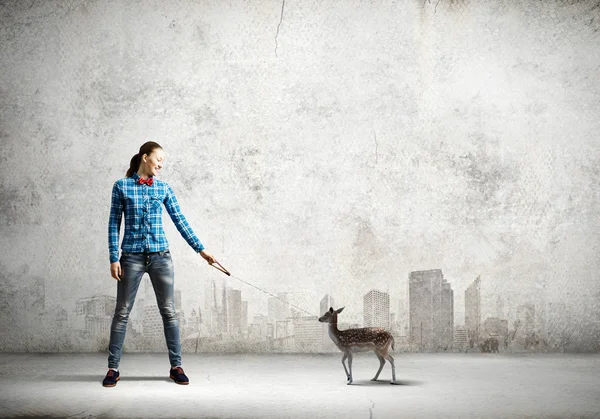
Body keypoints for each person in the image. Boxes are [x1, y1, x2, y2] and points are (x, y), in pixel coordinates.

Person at [103, 141, 217, 387]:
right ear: (145, 157)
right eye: (159, 159)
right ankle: (113, 368)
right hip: (130, 257)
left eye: (163, 161)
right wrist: (114, 257)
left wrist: (201, 250)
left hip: (160, 257)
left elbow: (180, 220)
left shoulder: (164, 188)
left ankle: (176, 366)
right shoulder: (121, 186)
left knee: (169, 312)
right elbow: (114, 224)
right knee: (122, 313)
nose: (161, 164)